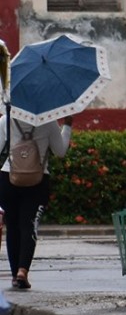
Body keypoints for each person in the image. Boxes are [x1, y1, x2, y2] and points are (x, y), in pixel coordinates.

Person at [1, 110, 71, 290]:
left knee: (13, 227)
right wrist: (68, 125)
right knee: (29, 225)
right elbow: (60, 151)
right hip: (37, 180)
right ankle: (22, 271)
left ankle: (15, 273)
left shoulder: (7, 119)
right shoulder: (48, 122)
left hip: (8, 177)